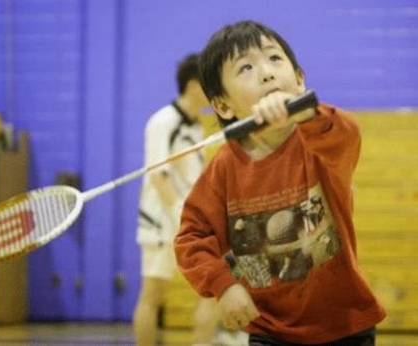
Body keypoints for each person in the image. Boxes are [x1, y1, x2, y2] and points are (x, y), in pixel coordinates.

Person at [174, 21, 386, 345]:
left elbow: (346, 136)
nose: (267, 73)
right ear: (222, 105)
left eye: (275, 59)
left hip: (345, 326)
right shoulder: (224, 168)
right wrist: (224, 285)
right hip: (270, 330)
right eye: (246, 67)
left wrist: (306, 114)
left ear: (299, 81)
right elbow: (192, 236)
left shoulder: (321, 142)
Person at [133, 53, 244, 346]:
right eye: (209, 83)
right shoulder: (163, 121)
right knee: (153, 294)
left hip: (190, 220)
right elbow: (158, 175)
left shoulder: (196, 126)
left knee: (211, 289)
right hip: (161, 221)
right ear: (194, 85)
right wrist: (181, 214)